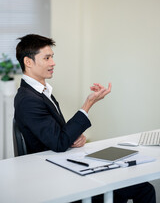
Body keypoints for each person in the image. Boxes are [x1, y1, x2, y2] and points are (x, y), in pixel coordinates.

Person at [14, 34, 156, 203]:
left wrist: (73, 136)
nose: (53, 63)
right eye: (47, 58)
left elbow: (57, 134)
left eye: (52, 57)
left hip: (63, 164)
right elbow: (59, 143)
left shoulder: (40, 92)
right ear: (28, 62)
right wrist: (88, 103)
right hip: (54, 178)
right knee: (144, 190)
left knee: (139, 185)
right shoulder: (28, 99)